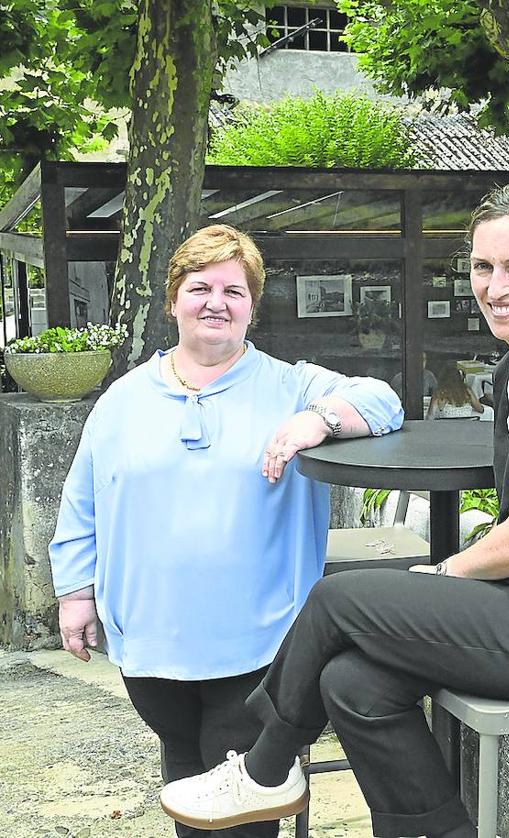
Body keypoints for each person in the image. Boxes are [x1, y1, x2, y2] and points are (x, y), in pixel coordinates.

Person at [158, 185, 509, 838]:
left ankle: (265, 767)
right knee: (352, 683)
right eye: (483, 267)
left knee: (338, 601)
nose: (495, 286)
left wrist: (443, 575)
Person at [48, 225, 404, 838]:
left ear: (251, 307)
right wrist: (76, 593)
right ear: (173, 300)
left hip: (258, 651)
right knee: (186, 784)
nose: (217, 301)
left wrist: (316, 421)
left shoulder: (292, 386)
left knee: (242, 808)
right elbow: (82, 503)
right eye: (200, 286)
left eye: (234, 291)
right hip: (153, 646)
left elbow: (383, 402)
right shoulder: (122, 400)